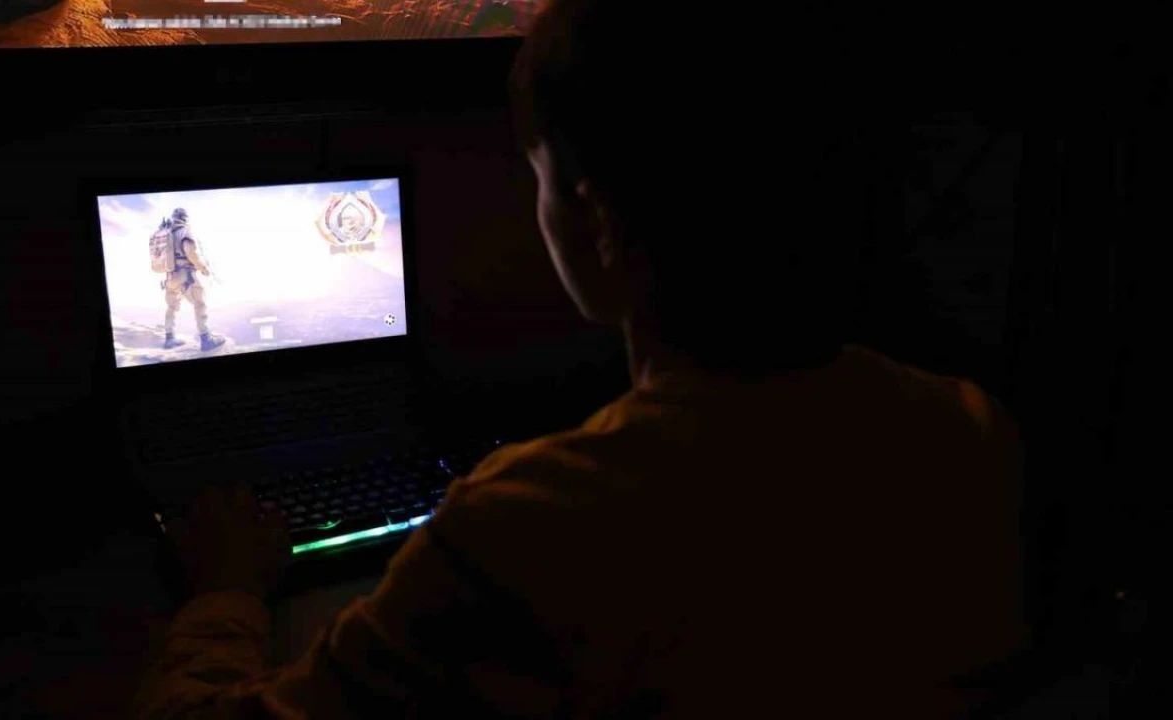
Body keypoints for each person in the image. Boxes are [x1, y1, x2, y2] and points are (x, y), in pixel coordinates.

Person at [137, 2, 1028, 717]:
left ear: (594, 222)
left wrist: (227, 592)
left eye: (540, 180)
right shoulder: (966, 429)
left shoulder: (524, 524)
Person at [161, 208, 225, 353]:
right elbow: (191, 252)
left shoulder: (166, 233)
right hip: (186, 274)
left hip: (170, 277)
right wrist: (203, 268)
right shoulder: (185, 231)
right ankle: (206, 339)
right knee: (199, 303)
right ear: (185, 218)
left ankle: (169, 338)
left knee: (172, 306)